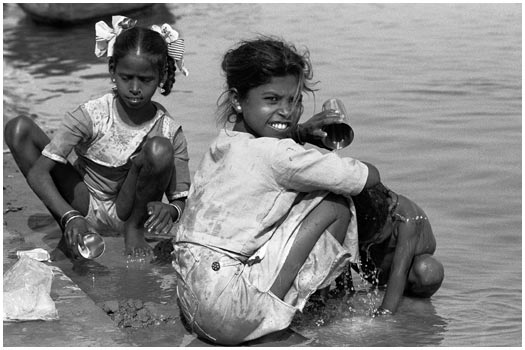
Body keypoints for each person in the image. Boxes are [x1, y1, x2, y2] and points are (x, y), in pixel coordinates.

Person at [172, 36, 381, 345]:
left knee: (282, 207)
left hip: (191, 305)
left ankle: (271, 310)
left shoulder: (222, 144)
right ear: (237, 100)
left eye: (294, 101)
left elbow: (269, 158)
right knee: (334, 202)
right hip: (232, 314)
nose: (287, 112)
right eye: (272, 100)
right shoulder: (279, 154)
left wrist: (299, 134)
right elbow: (363, 178)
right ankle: (277, 318)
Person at [3, 16, 190, 258]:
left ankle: (133, 232)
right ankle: (72, 227)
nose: (135, 88)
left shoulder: (169, 130)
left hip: (130, 211)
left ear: (161, 76)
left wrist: (171, 211)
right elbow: (40, 172)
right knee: (18, 129)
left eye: (145, 80)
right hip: (83, 202)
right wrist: (71, 216)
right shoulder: (92, 114)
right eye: (126, 77)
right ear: (113, 71)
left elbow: (180, 199)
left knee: (159, 149)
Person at [348, 182, 444, 316]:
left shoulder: (407, 218)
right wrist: (346, 291)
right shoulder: (363, 208)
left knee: (429, 270)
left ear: (391, 216)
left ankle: (410, 299)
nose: (372, 241)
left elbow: (400, 269)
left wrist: (385, 311)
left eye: (377, 235)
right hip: (372, 269)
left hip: (405, 274)